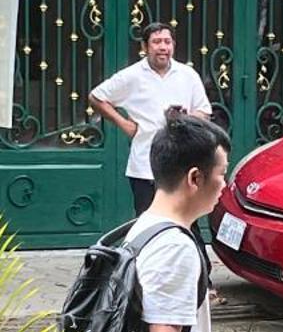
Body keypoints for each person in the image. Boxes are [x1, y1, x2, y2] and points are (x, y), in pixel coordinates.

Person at [129, 112, 230, 332]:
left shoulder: (144, 226)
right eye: (221, 174)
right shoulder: (175, 247)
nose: (225, 184)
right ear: (195, 178)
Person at [89, 21, 214, 215]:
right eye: (156, 42)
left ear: (173, 45)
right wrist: (124, 124)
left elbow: (204, 111)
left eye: (167, 41)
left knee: (184, 221)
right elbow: (96, 97)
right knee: (147, 223)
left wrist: (186, 119)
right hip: (144, 165)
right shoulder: (131, 76)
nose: (163, 47)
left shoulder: (188, 75)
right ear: (145, 47)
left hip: (182, 165)